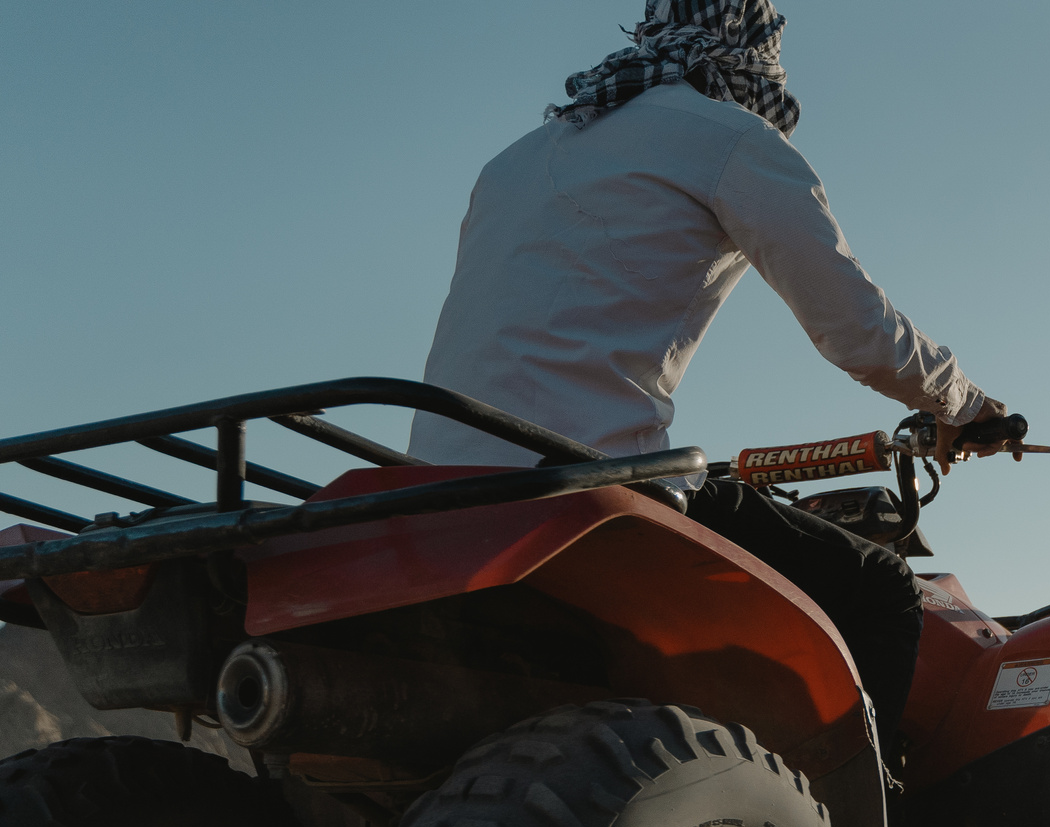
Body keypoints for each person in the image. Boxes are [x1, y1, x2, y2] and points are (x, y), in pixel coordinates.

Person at [404, 0, 1009, 762]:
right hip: (593, 484)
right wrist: (964, 403)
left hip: (437, 487)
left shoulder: (515, 159)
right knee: (881, 588)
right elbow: (856, 329)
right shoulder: (728, 140)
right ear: (753, 49)